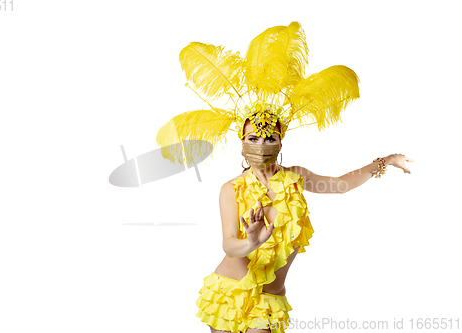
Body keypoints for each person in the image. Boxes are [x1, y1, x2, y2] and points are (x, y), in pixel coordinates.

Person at [155, 22, 414, 333]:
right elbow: (228, 245)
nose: (261, 145)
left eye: (269, 138)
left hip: (270, 298)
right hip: (228, 291)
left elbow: (341, 185)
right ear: (241, 141)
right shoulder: (231, 190)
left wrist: (384, 161)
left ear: (281, 141)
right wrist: (252, 241)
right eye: (253, 139)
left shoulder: (297, 177)